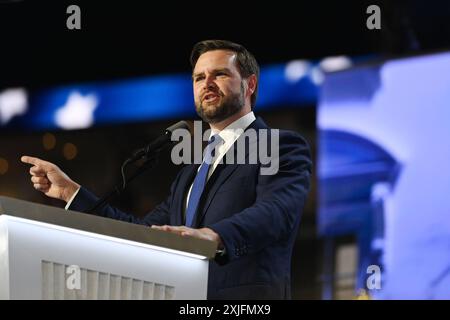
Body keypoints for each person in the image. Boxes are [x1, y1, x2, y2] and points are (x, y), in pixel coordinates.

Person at [21, 40, 312, 299]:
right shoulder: (192, 171)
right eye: (199, 77)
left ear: (250, 85)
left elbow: (276, 212)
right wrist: (72, 193)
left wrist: (215, 236)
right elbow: (145, 233)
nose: (206, 83)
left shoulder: (279, 145)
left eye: (219, 74)